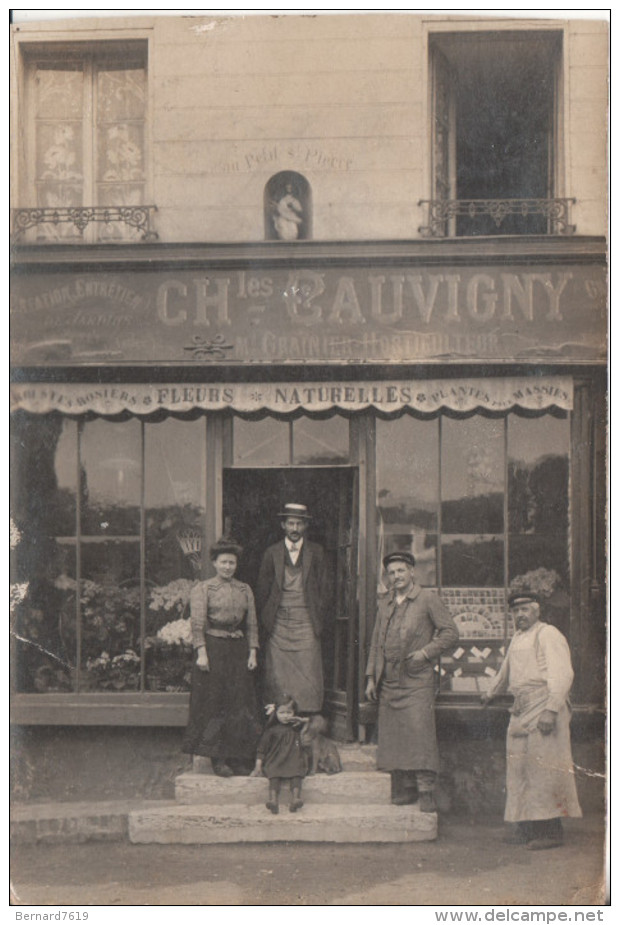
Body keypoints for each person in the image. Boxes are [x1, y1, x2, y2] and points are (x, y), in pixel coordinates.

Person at [481, 590, 582, 849]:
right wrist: (491, 691)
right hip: (521, 707)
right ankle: (525, 829)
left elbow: (562, 674)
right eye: (516, 611)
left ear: (537, 611)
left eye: (525, 610)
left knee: (544, 770)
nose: (520, 615)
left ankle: (550, 832)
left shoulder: (548, 634)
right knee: (519, 769)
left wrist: (551, 709)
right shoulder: (517, 637)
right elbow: (505, 671)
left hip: (545, 706)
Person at [365, 551, 459, 813]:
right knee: (395, 735)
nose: (396, 576)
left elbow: (451, 632)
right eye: (391, 573)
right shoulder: (385, 603)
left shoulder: (427, 599)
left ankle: (426, 791)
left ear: (412, 572)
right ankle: (406, 788)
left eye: (400, 571)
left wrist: (426, 652)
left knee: (420, 733)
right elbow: (376, 641)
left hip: (417, 679)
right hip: (390, 679)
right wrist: (372, 677)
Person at [182, 537, 263, 777]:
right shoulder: (204, 588)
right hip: (213, 648)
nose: (228, 567)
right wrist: (202, 652)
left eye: (232, 563)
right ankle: (218, 759)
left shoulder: (244, 589)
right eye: (224, 562)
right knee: (216, 703)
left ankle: (238, 757)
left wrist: (252, 652)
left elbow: (252, 623)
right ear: (215, 563)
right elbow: (197, 623)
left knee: (239, 703)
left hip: (238, 649)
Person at [256, 503, 328, 714]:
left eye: (299, 523)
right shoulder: (272, 552)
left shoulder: (317, 551)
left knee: (309, 669)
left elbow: (325, 588)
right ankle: (280, 717)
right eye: (290, 523)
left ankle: (307, 714)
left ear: (305, 526)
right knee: (278, 671)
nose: (295, 528)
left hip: (307, 619)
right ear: (283, 525)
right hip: (279, 621)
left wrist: (317, 615)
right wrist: (268, 616)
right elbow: (263, 589)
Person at [251, 695, 308, 813]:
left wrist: (300, 720)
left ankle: (296, 799)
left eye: (289, 712)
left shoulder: (297, 728)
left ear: (294, 713)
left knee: (297, 775)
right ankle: (273, 800)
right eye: (282, 712)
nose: (286, 715)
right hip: (275, 760)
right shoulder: (271, 730)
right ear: (275, 713)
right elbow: (261, 749)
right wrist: (258, 766)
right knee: (274, 776)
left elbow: (309, 722)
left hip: (293, 760)